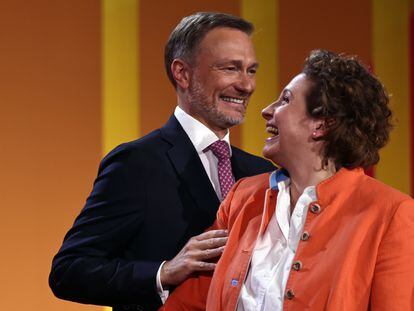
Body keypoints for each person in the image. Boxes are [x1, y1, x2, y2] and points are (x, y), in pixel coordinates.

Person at [49, 12, 275, 311]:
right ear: (182, 73)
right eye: (230, 68)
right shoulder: (136, 164)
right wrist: (164, 272)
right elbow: (69, 271)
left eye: (251, 70)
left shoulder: (263, 173)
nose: (246, 85)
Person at [161, 50, 414, 310]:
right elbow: (187, 303)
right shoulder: (242, 197)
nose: (266, 110)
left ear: (321, 125)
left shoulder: (391, 214)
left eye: (285, 100)